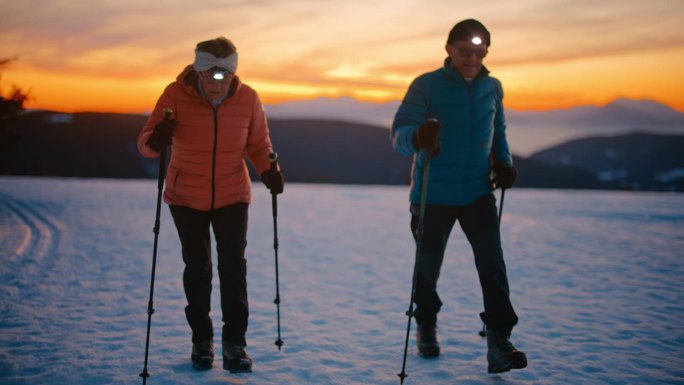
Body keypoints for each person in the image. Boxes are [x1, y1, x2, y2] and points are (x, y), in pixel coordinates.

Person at [137, 36, 284, 373]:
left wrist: (269, 171)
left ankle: (235, 344)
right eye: (210, 76)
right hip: (186, 195)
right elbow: (146, 143)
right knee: (198, 266)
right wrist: (157, 137)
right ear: (198, 71)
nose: (218, 84)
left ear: (233, 73)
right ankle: (201, 341)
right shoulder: (174, 95)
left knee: (233, 267)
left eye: (225, 76)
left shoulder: (248, 98)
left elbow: (259, 144)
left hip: (233, 195)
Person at [390, 19, 527, 373]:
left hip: (478, 192)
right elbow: (400, 134)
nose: (472, 58)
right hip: (432, 194)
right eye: (465, 51)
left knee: (492, 264)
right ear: (449, 49)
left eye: (479, 52)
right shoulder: (427, 86)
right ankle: (426, 324)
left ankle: (499, 341)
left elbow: (498, 132)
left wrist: (504, 163)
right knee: (429, 266)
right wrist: (419, 136)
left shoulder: (493, 87)